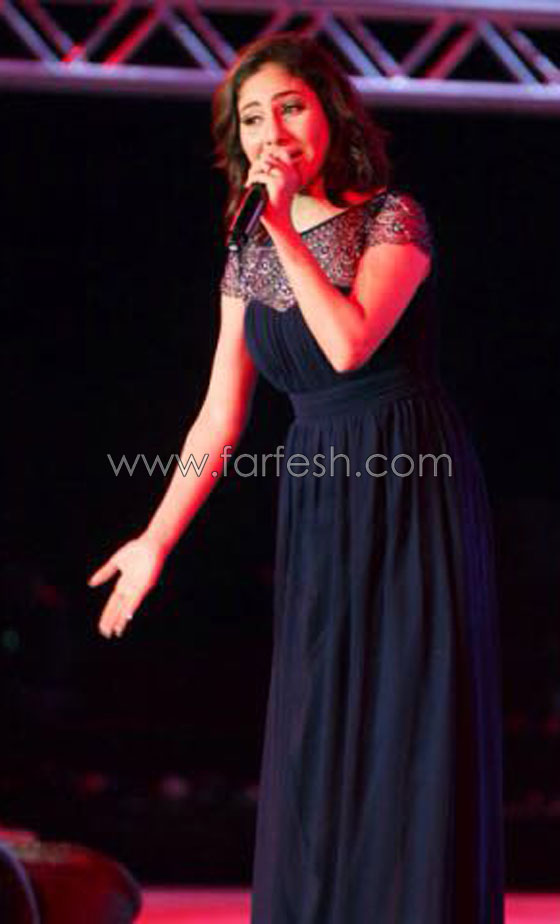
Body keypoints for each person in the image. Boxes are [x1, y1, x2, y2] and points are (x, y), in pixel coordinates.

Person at [88, 32, 505, 924]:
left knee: (406, 715)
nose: (272, 131)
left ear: (330, 114)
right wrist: (154, 541)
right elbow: (219, 415)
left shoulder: (392, 217)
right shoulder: (246, 254)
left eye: (289, 107)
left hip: (408, 478)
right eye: (251, 118)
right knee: (322, 723)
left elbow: (349, 344)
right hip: (320, 491)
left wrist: (280, 226)